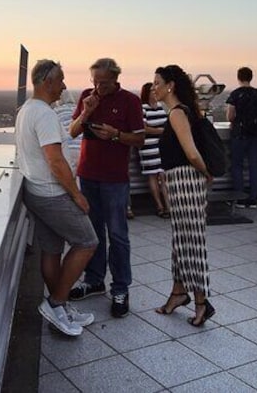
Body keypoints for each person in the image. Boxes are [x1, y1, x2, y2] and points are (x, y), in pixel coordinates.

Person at [15, 59, 98, 337]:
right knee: (87, 242)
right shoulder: (45, 115)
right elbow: (55, 160)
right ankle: (55, 302)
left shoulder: (28, 110)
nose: (64, 85)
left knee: (51, 249)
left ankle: (58, 306)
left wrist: (84, 114)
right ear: (45, 82)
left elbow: (68, 134)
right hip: (53, 193)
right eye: (60, 80)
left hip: (36, 191)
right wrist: (76, 195)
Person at [67, 58, 144, 318]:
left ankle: (121, 288)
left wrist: (115, 135)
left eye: (104, 82)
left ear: (116, 78)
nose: (99, 87)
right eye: (95, 81)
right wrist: (87, 112)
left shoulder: (130, 101)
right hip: (88, 175)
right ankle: (94, 280)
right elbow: (73, 131)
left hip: (115, 179)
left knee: (118, 235)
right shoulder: (87, 97)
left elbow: (140, 139)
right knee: (93, 232)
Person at [152, 65, 215, 327]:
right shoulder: (175, 114)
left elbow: (191, 153)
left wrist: (206, 174)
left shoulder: (178, 113)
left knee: (191, 244)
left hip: (187, 182)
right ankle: (178, 292)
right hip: (179, 183)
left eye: (157, 83)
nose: (153, 87)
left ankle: (202, 302)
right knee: (181, 242)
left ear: (171, 86)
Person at [225, 67, 257, 208]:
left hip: (239, 134)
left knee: (237, 166)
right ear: (251, 77)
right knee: (254, 165)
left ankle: (239, 198)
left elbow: (230, 116)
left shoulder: (235, 94)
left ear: (238, 77)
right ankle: (253, 199)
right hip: (256, 134)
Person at [138, 82, 169, 218]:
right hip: (148, 146)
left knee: (163, 175)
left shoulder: (161, 108)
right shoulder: (143, 108)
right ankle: (159, 206)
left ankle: (168, 206)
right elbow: (143, 128)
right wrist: (161, 131)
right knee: (153, 176)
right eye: (152, 90)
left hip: (161, 146)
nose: (154, 92)